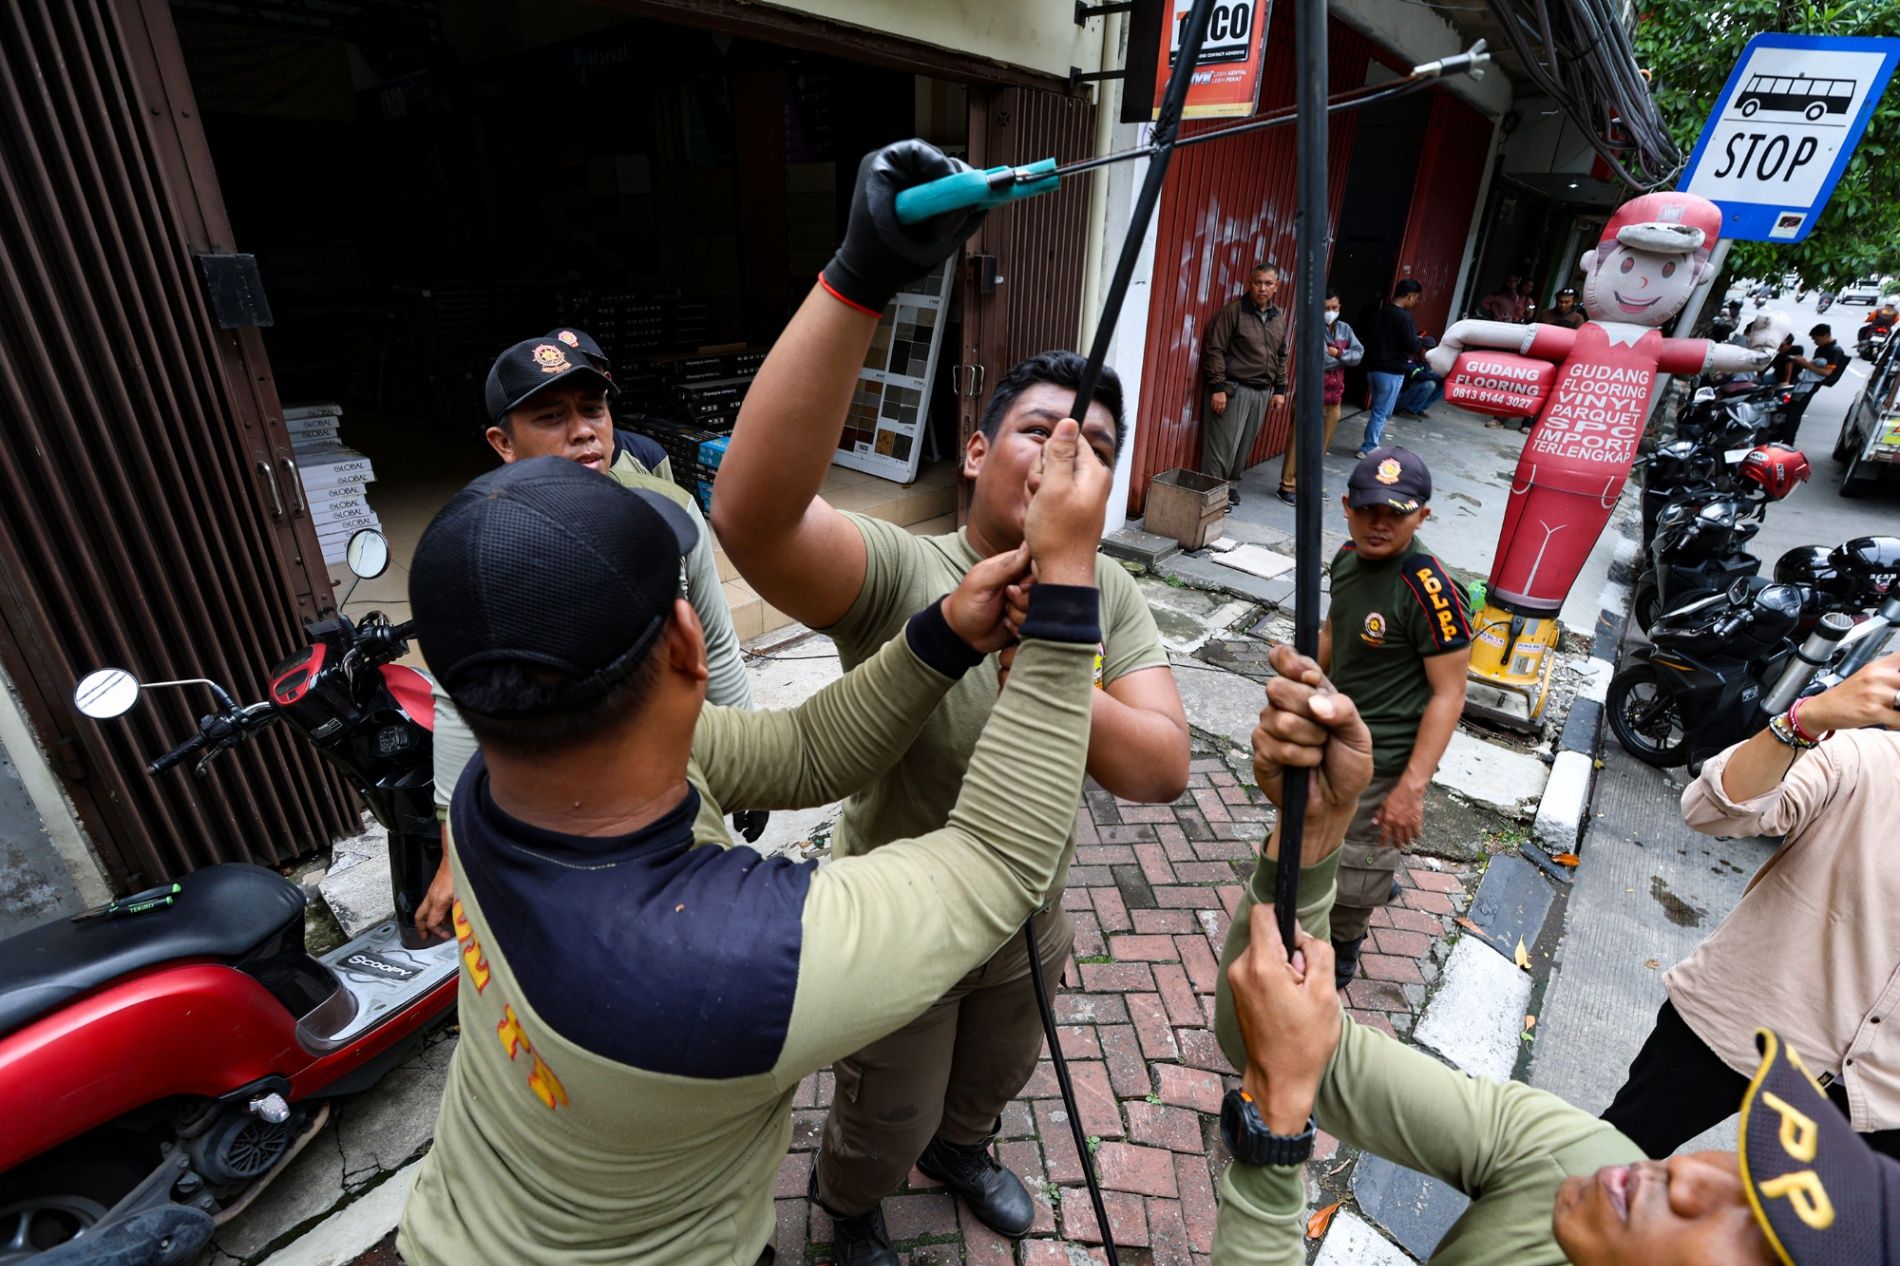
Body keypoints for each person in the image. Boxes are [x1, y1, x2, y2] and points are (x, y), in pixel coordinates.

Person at [396, 434, 1115, 1266]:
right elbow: (998, 861)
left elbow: (804, 751)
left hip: (454, 1226)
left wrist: (947, 634)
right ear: (686, 644)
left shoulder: (497, 781)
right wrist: (1065, 599)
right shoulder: (738, 962)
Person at [709, 139, 1188, 1264]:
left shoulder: (1104, 591)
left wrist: (1057, 648)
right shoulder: (905, 570)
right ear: (974, 453)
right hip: (902, 920)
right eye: (1041, 431)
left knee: (993, 1077)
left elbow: (1159, 768)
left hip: (1031, 912)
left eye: (1097, 449)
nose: (1067, 456)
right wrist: (858, 276)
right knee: (887, 1109)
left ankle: (962, 1152)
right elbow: (757, 520)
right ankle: (852, 1204)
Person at [1212, 650, 1897, 1266]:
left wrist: (1275, 1130)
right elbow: (1273, 1036)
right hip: (1731, 1026)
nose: (1687, 1176)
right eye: (1754, 1174)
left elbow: (1285, 1075)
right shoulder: (1587, 1160)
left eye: (1758, 1236)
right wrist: (1317, 829)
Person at [408, 335, 757, 940]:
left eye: (593, 409)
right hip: (561, 811)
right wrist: (453, 848)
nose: (583, 432)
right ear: (502, 443)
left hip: (681, 778)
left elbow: (718, 646)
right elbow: (456, 700)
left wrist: (746, 764)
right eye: (551, 417)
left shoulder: (669, 511)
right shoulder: (482, 544)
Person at [1602, 652, 1900, 1162]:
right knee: (1603, 1171)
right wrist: (1804, 722)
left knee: (1817, 1242)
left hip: (1879, 1099)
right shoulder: (1864, 760)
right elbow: (1710, 810)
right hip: (1740, 1023)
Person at [1318, 447, 1470, 986]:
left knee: (1356, 865)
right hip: (1335, 738)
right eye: (1367, 510)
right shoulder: (1344, 557)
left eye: (1397, 512)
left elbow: (1451, 693)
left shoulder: (1429, 588)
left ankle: (1343, 948)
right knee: (1322, 839)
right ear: (1345, 507)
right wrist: (1308, 691)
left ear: (1421, 516)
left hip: (1385, 756)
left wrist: (1412, 786)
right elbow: (1335, 632)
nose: (1379, 523)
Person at [1200, 263, 1290, 506]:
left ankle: (1229, 488)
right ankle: (1211, 495)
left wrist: (1280, 389)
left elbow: (1281, 355)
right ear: (1249, 283)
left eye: (1268, 283)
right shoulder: (1234, 312)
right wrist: (1218, 387)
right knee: (1222, 446)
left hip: (1261, 391)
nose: (1262, 288)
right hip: (1233, 389)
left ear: (1276, 287)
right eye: (1257, 282)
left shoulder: (1278, 317)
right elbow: (1215, 350)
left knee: (1244, 444)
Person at [1276, 288, 1362, 504]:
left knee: (1321, 446)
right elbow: (1320, 361)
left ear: (1340, 307)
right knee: (1299, 444)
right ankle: (1287, 486)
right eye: (1326, 308)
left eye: (1334, 308)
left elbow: (1359, 354)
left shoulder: (1345, 329)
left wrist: (1339, 353)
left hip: (1334, 399)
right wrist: (1344, 358)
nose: (1331, 311)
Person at [1359, 279, 1427, 455]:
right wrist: (1420, 341)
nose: (1415, 302)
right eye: (1416, 298)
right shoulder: (1405, 318)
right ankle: (1369, 447)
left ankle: (1372, 443)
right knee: (1381, 412)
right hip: (1391, 371)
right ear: (1410, 296)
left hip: (1373, 369)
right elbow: (1411, 346)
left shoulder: (1378, 314)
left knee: (1380, 410)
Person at [1775, 323, 1852, 443]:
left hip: (1810, 386)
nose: (1815, 342)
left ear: (1826, 336)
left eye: (1816, 339)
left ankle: (1788, 442)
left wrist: (1806, 364)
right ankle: (1781, 436)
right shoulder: (1822, 348)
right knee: (1788, 410)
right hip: (1804, 382)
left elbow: (1827, 372)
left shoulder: (1835, 351)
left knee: (1794, 414)